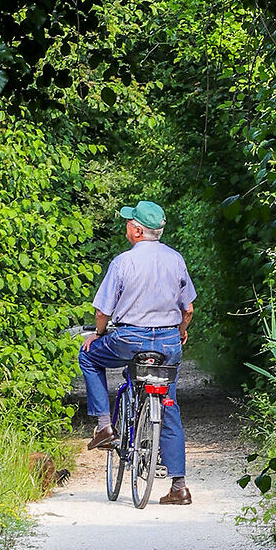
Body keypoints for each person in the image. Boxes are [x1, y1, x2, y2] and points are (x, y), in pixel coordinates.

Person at [81, 199, 195, 507]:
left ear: (137, 230)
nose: (126, 227)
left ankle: (104, 425)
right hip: (168, 342)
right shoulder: (176, 259)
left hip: (129, 340)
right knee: (169, 403)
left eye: (129, 223)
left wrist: (98, 334)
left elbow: (102, 312)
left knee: (89, 356)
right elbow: (188, 309)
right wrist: (180, 332)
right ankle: (179, 487)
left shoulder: (123, 262)